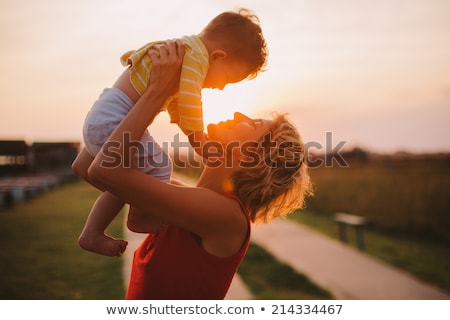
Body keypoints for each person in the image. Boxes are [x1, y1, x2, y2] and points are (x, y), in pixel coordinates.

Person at [85, 40, 313, 299]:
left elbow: (103, 171)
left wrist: (157, 93)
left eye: (253, 123)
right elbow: (88, 166)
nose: (239, 114)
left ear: (257, 158)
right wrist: (129, 94)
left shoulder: (226, 215)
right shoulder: (188, 201)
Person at [72, 8, 268, 256]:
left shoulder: (184, 51)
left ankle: (95, 229)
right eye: (227, 79)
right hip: (115, 118)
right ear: (218, 56)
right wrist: (199, 140)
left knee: (130, 175)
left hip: (103, 113)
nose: (220, 88)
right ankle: (136, 217)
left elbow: (176, 102)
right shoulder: (196, 58)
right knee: (160, 165)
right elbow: (189, 100)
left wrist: (187, 131)